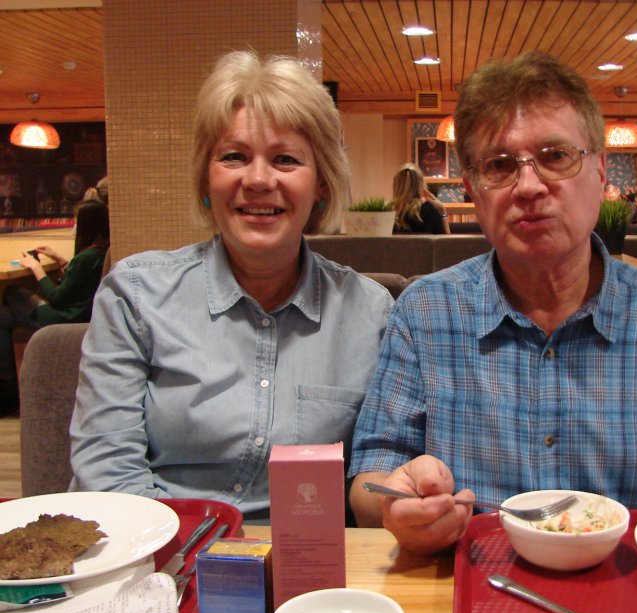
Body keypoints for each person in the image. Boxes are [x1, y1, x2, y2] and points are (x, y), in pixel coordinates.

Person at [348, 51, 637, 555]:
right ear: (473, 190)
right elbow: (369, 478)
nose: (529, 186)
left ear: (600, 172)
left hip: (627, 588)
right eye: (499, 165)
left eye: (556, 156)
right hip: (467, 581)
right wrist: (395, 504)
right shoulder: (425, 312)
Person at [69, 51, 393, 520]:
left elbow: (377, 469)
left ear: (321, 183)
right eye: (234, 157)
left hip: (306, 558)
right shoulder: (135, 296)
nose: (258, 179)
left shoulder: (371, 312)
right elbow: (107, 472)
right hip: (165, 546)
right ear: (206, 178)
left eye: (285, 159)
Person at [0, 199, 110, 416]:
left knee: (12, 292)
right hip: (79, 313)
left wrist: (36, 268)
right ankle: (9, 388)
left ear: (87, 226)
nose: (74, 228)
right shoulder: (99, 253)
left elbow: (57, 298)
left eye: (77, 222)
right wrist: (59, 259)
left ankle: (7, 386)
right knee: (2, 316)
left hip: (65, 317)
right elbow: (77, 284)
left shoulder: (87, 257)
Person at [391, 163, 449, 234]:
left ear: (396, 185)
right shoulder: (428, 210)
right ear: (421, 185)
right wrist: (442, 211)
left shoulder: (386, 211)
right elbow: (445, 240)